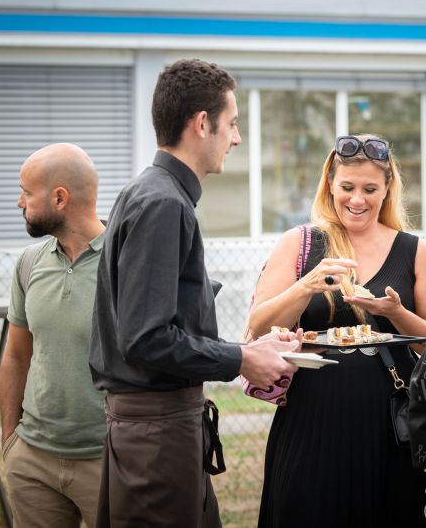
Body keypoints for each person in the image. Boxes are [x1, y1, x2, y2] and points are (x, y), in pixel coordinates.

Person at [89, 59, 299, 528]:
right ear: (203, 123)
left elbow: (162, 321)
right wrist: (241, 360)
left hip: (159, 432)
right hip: (156, 437)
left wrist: (248, 348)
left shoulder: (151, 193)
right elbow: (146, 339)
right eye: (234, 123)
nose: (237, 138)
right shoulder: (162, 203)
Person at [247, 134, 426, 527]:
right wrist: (307, 285)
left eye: (370, 189)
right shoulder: (302, 243)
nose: (357, 200)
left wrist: (397, 312)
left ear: (387, 189)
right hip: (312, 421)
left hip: (391, 425)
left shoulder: (415, 251)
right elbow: (257, 328)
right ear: (330, 185)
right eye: (347, 187)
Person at [0, 143, 107, 528]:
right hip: (33, 464)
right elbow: (16, 356)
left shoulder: (126, 261)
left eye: (27, 193)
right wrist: (11, 441)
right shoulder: (28, 263)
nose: (19, 202)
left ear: (59, 198)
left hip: (108, 462)